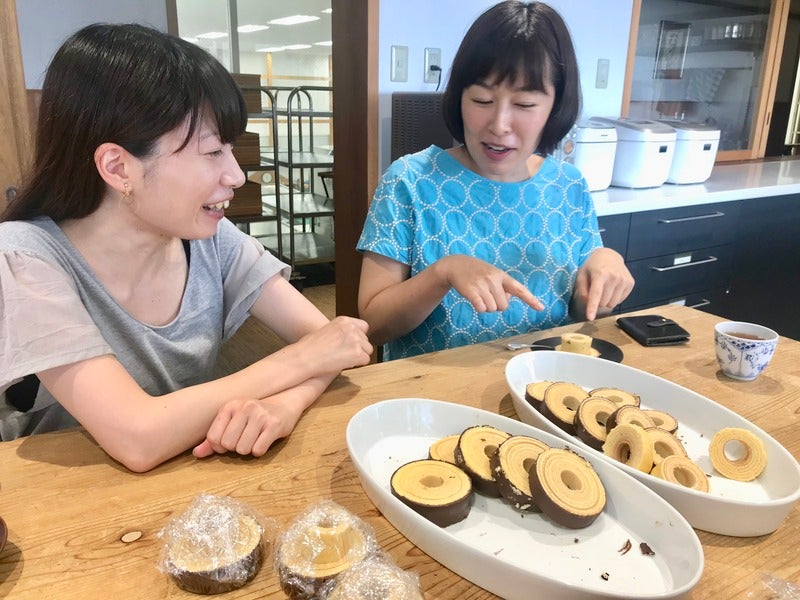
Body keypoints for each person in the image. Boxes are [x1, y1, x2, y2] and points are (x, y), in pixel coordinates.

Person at [0, 23, 372, 472]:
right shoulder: (25, 257)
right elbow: (136, 436)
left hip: (187, 481)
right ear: (118, 167)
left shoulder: (210, 239)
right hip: (65, 500)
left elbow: (338, 344)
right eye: (213, 152)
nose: (236, 175)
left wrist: (286, 404)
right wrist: (301, 360)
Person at [357, 1, 634, 360]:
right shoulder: (410, 181)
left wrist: (605, 273)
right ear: (459, 97)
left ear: (555, 106)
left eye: (525, 104)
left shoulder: (569, 186)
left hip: (543, 385)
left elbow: (582, 313)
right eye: (482, 99)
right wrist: (442, 273)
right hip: (434, 389)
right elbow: (374, 325)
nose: (499, 125)